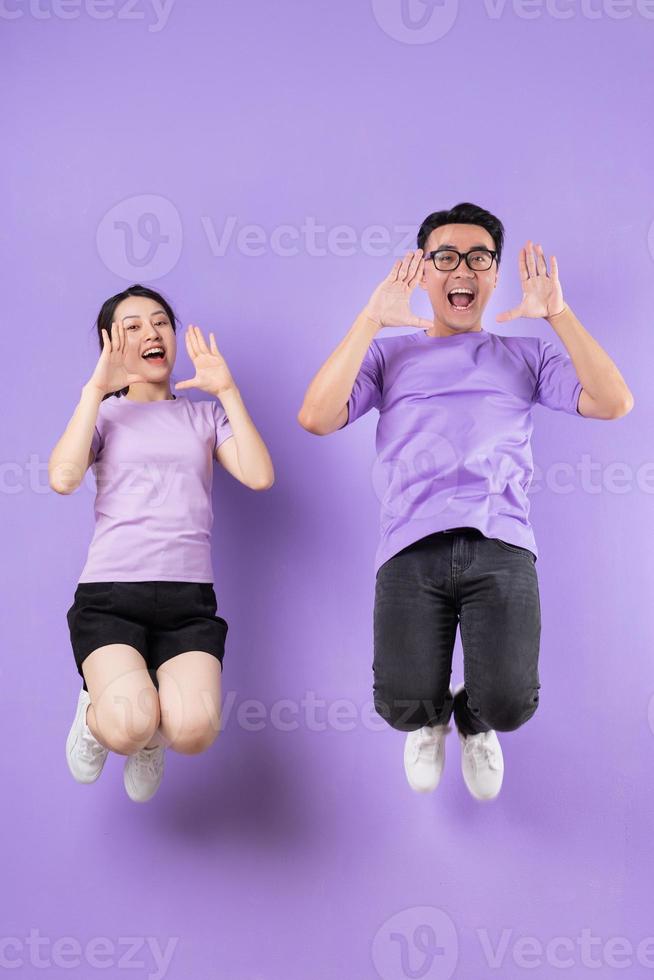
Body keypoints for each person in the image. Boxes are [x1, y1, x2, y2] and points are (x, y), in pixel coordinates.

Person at [297, 202, 633, 802]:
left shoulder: (525, 357)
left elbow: (614, 403)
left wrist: (557, 313)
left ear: (494, 273)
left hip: (500, 543)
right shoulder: (389, 356)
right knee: (400, 706)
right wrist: (371, 319)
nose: (463, 270)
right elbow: (316, 417)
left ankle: (472, 719)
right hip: (409, 546)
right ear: (424, 272)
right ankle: (430, 718)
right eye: (445, 257)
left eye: (479, 258)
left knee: (508, 705)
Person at [49, 284, 274, 803]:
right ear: (112, 344)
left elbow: (260, 475)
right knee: (126, 722)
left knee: (194, 733)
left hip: (187, 601)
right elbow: (63, 477)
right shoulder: (104, 416)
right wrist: (94, 391)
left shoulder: (203, 417)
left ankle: (152, 736)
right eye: (132, 327)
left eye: (160, 323)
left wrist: (228, 393)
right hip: (111, 596)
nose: (151, 333)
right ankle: (96, 715)